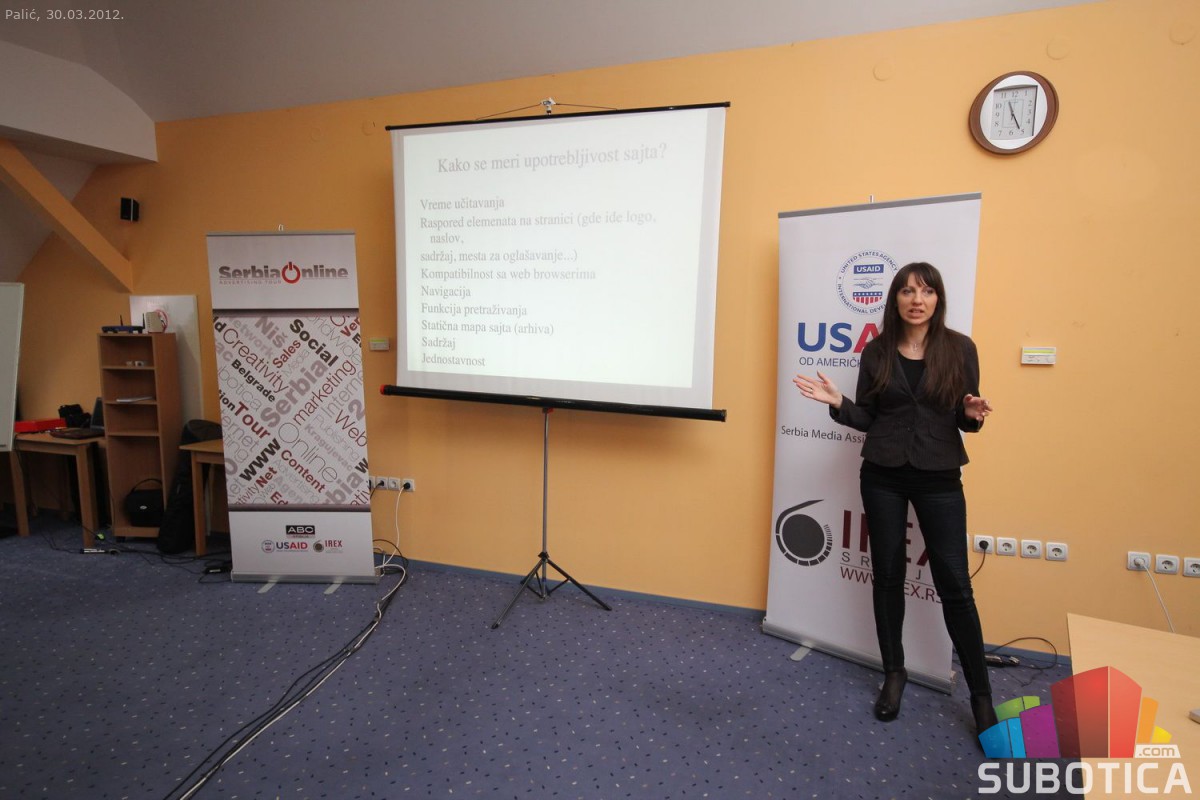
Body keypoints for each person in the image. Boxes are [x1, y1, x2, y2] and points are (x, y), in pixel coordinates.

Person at [792, 261, 998, 737]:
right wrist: (839, 404)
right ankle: (894, 673)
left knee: (955, 585)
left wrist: (971, 413)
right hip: (882, 474)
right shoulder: (877, 351)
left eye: (926, 291)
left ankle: (982, 697)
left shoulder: (960, 348)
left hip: (939, 476)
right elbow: (868, 417)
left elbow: (966, 415)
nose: (916, 300)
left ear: (938, 298)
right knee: (887, 575)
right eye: (907, 291)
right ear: (895, 300)